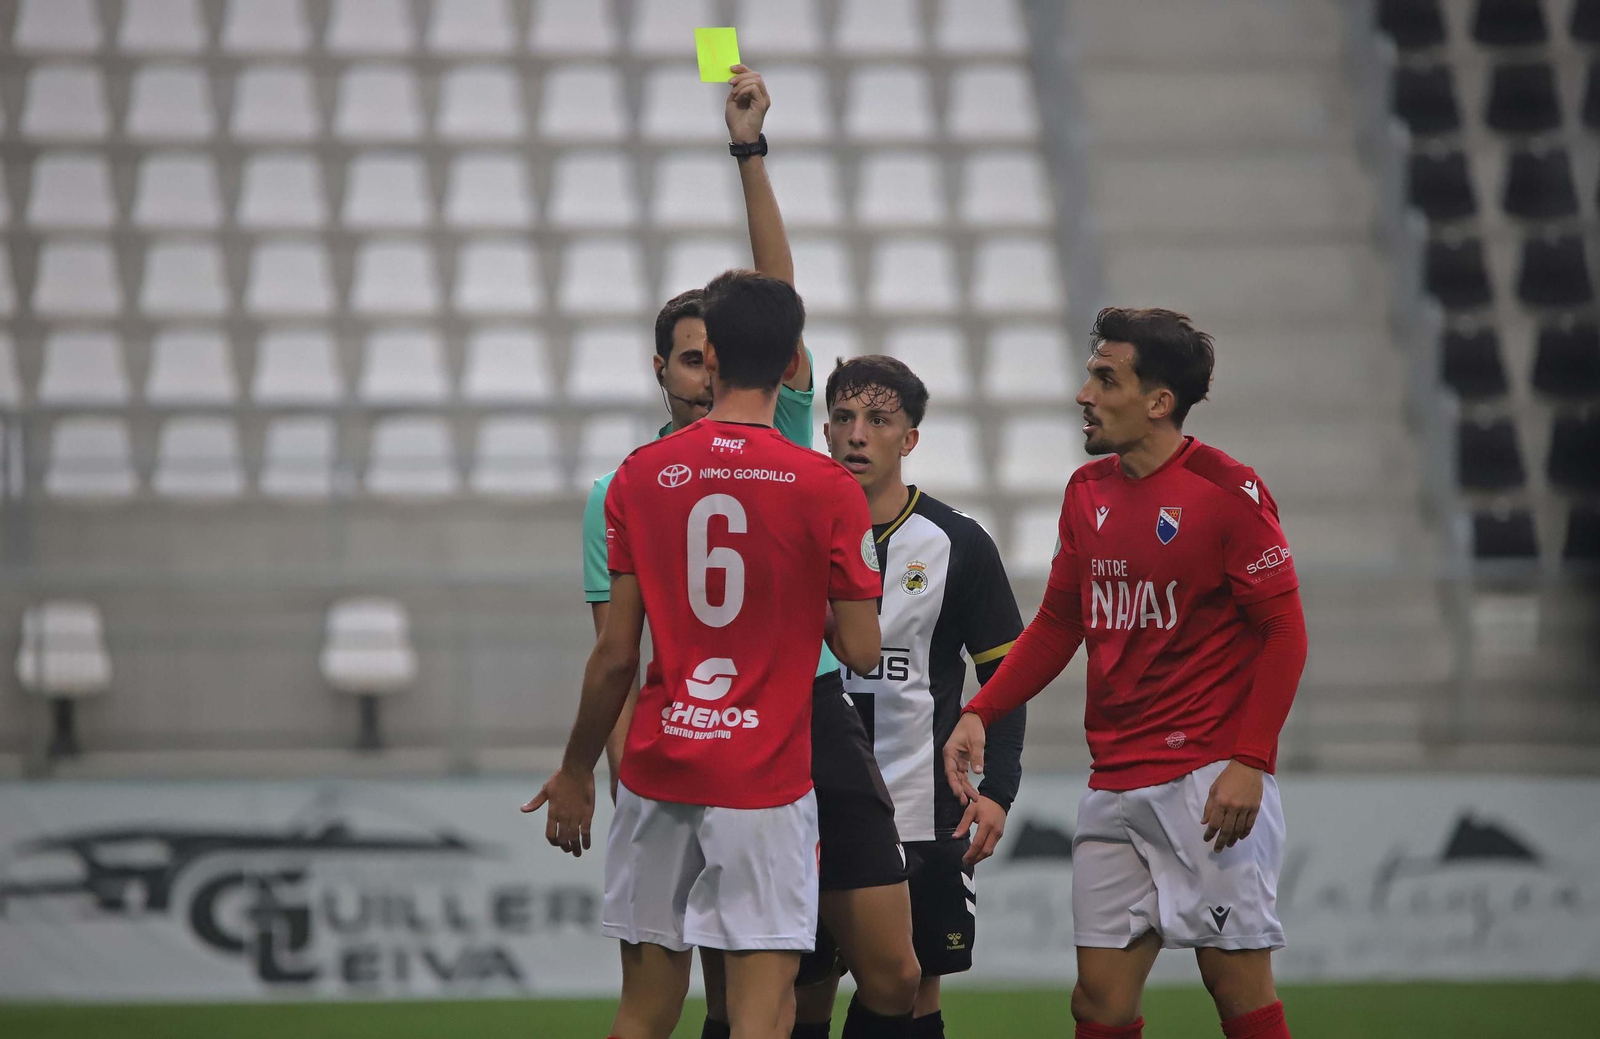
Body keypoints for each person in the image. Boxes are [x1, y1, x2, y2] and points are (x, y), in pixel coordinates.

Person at [578, 67, 921, 1038]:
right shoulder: (629, 487)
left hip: (805, 713)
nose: (700, 367)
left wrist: (748, 153)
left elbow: (778, 297)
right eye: (683, 356)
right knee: (749, 992)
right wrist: (617, 780)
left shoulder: (769, 436)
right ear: (667, 368)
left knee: (886, 966)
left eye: (708, 351)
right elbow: (616, 650)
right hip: (700, 730)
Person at [524, 271, 884, 1039]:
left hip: (660, 771)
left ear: (710, 354)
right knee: (761, 1015)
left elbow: (616, 655)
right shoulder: (826, 486)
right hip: (765, 779)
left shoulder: (639, 476)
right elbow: (858, 647)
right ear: (792, 361)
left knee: (643, 1014)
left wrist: (578, 767)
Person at [943, 308, 1308, 1039]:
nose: (1084, 392)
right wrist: (982, 708)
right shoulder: (1088, 493)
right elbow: (1057, 625)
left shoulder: (1226, 491)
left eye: (1105, 378)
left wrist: (1249, 759)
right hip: (1113, 780)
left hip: (1206, 778)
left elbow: (1284, 630)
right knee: (1098, 1002)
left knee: (1235, 985)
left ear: (1158, 401)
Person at [794, 356, 1028, 1039]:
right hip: (807, 804)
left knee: (911, 988)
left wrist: (1000, 789)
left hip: (921, 810)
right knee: (800, 992)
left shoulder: (958, 543)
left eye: (878, 419)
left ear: (910, 438)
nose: (856, 434)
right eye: (842, 417)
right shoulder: (794, 532)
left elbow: (1007, 676)